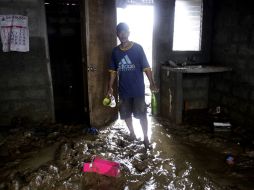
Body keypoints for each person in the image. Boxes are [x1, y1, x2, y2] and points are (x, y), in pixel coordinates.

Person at [107, 22, 157, 149]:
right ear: (117, 34)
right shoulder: (115, 52)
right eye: (120, 32)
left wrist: (152, 83)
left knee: (142, 115)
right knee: (125, 114)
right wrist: (110, 87)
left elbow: (146, 67)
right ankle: (132, 133)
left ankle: (146, 137)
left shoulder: (138, 48)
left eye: (125, 32)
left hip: (138, 90)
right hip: (123, 90)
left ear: (129, 33)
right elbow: (113, 71)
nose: (122, 34)